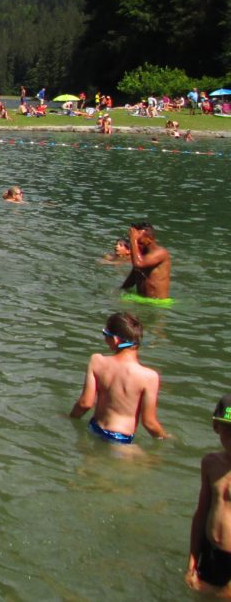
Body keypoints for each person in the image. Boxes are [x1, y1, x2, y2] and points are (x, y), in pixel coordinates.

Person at [68, 311, 166, 444]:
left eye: (105, 334)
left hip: (94, 428)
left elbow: (85, 404)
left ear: (115, 340)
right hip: (120, 439)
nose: (104, 340)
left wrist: (70, 418)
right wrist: (166, 438)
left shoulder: (96, 361)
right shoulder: (149, 377)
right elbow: (149, 423)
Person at [186, 394, 231, 591]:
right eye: (229, 430)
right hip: (210, 552)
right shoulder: (211, 463)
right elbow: (202, 512)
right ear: (216, 426)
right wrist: (192, 563)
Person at [122, 221, 171, 300]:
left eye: (139, 242)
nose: (136, 246)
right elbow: (130, 281)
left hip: (158, 303)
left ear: (150, 239)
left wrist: (133, 240)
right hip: (140, 299)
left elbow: (138, 264)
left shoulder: (161, 253)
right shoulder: (141, 256)